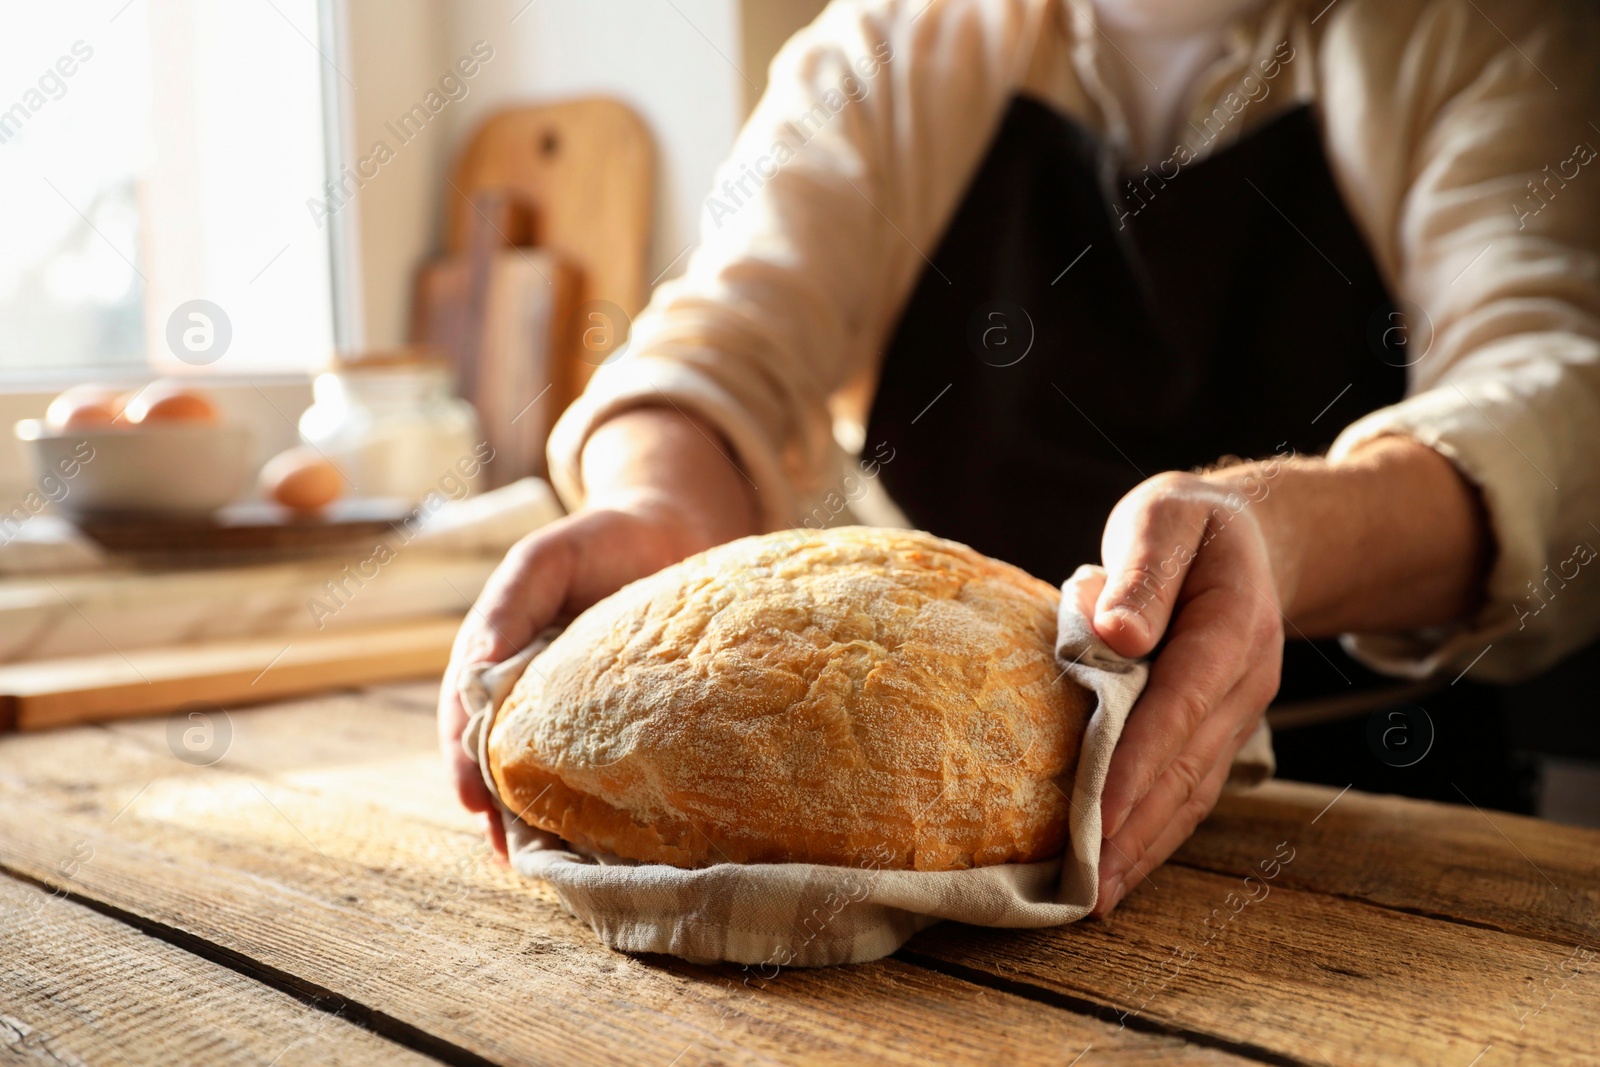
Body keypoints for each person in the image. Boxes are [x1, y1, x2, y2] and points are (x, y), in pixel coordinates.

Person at [439, 0, 1600, 914]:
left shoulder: (1478, 33)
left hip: (1369, 823)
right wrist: (660, 509)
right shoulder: (891, 47)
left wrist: (1277, 534)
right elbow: (718, 344)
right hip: (922, 838)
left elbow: (1555, 387)